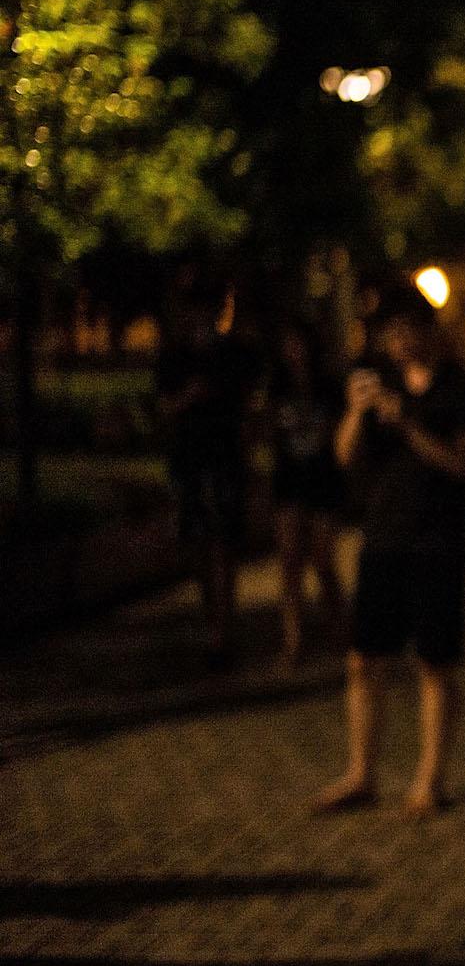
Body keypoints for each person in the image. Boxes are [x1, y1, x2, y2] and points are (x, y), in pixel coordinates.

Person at [314, 287, 465, 819]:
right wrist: (355, 412)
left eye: (401, 331)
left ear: (427, 330)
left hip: (439, 540)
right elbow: (344, 458)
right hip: (383, 537)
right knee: (364, 659)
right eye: (386, 334)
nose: (393, 343)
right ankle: (361, 773)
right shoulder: (378, 383)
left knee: (434, 664)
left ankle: (429, 781)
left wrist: (407, 422)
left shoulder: (463, 389)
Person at [156, 277, 260, 670]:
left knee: (223, 543)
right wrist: (188, 397)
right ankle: (211, 617)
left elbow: (251, 405)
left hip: (225, 457)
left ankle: (223, 628)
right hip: (189, 459)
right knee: (198, 543)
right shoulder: (176, 355)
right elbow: (164, 405)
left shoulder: (235, 353)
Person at [266, 316, 348, 673]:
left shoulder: (328, 387)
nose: (293, 352)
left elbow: (338, 436)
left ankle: (341, 629)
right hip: (289, 481)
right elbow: (268, 431)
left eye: (298, 343)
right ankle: (293, 641)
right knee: (290, 562)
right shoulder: (277, 387)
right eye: (288, 345)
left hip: (322, 480)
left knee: (322, 558)